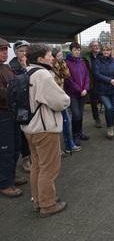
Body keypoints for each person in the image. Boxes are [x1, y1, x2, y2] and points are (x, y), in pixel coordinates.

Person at [22, 43, 70, 217]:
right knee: (49, 169)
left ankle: (38, 201)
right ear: (40, 59)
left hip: (30, 128)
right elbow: (60, 101)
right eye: (50, 55)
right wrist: (67, 99)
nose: (53, 57)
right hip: (45, 129)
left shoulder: (27, 72)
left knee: (37, 167)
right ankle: (48, 205)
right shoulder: (43, 75)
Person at [0, 38, 28, 198]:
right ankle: (4, 183)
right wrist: (15, 88)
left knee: (16, 147)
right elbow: (2, 92)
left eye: (6, 49)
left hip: (12, 115)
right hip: (2, 116)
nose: (5, 52)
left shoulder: (6, 67)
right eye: (2, 50)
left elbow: (12, 85)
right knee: (5, 151)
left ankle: (11, 176)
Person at [51, 48, 82, 154]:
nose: (59, 57)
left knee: (66, 121)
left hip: (60, 97)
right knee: (55, 124)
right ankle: (56, 148)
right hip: (52, 99)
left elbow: (66, 74)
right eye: (57, 56)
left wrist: (61, 63)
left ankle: (69, 145)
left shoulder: (58, 65)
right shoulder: (47, 68)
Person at [9, 40, 32, 172]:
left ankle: (33, 154)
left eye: (25, 51)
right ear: (16, 52)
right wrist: (24, 69)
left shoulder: (30, 63)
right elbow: (20, 84)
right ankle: (25, 157)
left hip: (31, 102)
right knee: (23, 131)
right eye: (21, 51)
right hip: (20, 105)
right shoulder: (12, 67)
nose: (24, 53)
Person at [93, 44, 114, 138]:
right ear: (102, 51)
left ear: (110, 51)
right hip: (101, 90)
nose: (105, 51)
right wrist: (109, 80)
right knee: (109, 107)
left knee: (112, 108)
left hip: (113, 89)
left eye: (107, 50)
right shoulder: (97, 62)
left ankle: (110, 122)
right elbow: (96, 74)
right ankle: (110, 128)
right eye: (104, 50)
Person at [64, 42, 90, 146]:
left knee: (81, 114)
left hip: (83, 93)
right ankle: (75, 135)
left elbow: (87, 76)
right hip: (73, 94)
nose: (77, 52)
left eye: (78, 50)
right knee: (76, 114)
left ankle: (80, 133)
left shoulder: (82, 62)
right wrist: (79, 90)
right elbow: (68, 80)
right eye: (75, 50)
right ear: (71, 51)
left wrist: (86, 89)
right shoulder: (66, 63)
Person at [82, 41, 102, 128]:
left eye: (97, 45)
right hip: (92, 83)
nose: (96, 47)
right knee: (94, 103)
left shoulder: (102, 56)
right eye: (94, 46)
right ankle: (97, 119)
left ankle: (111, 118)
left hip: (102, 82)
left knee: (107, 101)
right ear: (90, 48)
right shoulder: (86, 58)